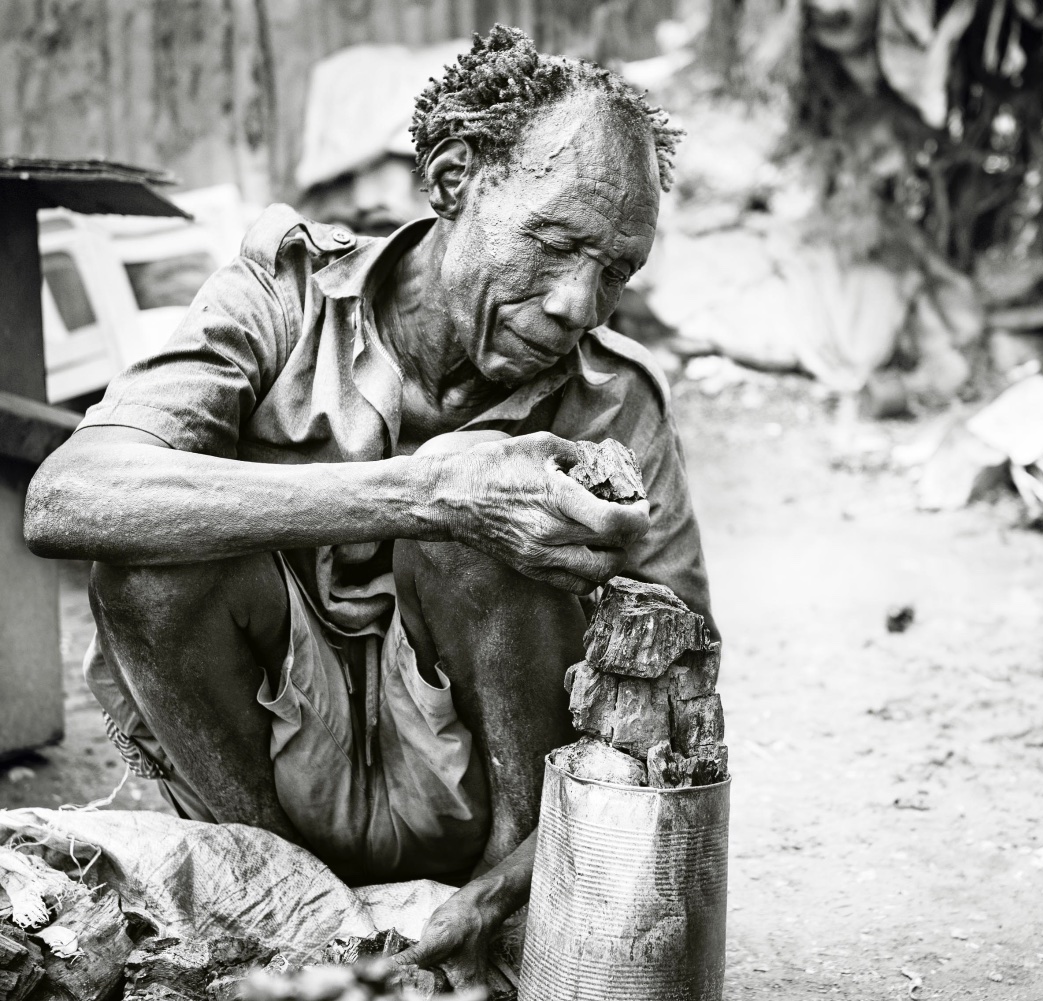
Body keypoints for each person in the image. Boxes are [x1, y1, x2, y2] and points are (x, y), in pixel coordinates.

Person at [24, 26, 712, 989]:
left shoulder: (615, 401)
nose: (576, 303)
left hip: (494, 842)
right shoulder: (281, 294)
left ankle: (498, 937)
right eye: (556, 243)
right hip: (256, 800)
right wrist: (429, 492)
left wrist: (502, 888)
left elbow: (677, 727)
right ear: (451, 177)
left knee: (493, 533)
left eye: (616, 271)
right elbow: (66, 497)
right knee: (151, 548)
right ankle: (278, 904)